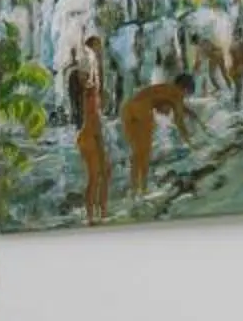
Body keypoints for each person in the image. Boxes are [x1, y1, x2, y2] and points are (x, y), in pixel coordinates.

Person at [121, 73, 204, 198]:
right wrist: (190, 143)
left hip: (128, 109)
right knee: (145, 152)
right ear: (185, 88)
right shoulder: (176, 93)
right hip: (141, 111)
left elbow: (171, 102)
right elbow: (179, 121)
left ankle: (135, 189)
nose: (185, 96)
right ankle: (142, 189)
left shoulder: (166, 88)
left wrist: (189, 112)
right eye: (186, 93)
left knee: (138, 153)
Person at [64, 31, 111, 225]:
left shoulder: (93, 91)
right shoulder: (88, 93)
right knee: (95, 175)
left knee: (105, 172)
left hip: (93, 130)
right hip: (89, 132)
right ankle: (92, 216)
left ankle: (102, 213)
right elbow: (90, 116)